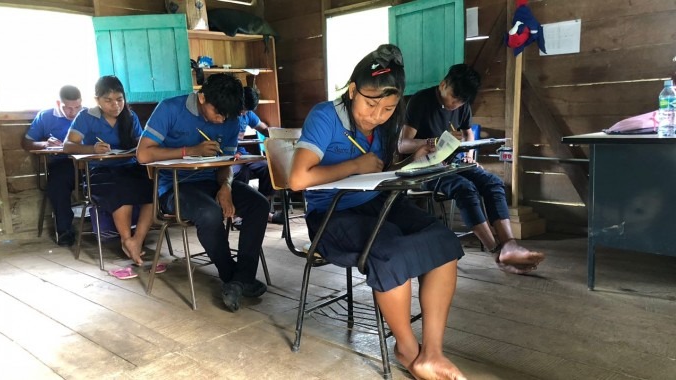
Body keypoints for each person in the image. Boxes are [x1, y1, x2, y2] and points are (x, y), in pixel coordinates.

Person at [289, 45, 466, 380]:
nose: (376, 115)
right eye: (370, 104)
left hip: (377, 200)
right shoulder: (326, 116)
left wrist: (415, 162)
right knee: (390, 249)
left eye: (388, 108)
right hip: (332, 213)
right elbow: (298, 179)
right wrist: (354, 164)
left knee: (443, 241)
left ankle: (433, 353)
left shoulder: (386, 124)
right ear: (353, 90)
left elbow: (382, 169)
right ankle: (408, 350)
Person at [136, 73, 269, 312]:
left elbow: (225, 162)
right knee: (209, 212)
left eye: (227, 116)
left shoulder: (227, 117)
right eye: (217, 112)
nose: (221, 120)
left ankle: (242, 277)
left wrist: (226, 186)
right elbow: (143, 154)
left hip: (212, 182)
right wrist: (189, 150)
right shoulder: (170, 109)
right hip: (174, 187)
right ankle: (233, 277)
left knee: (259, 205)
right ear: (202, 97)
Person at [398, 63, 545, 275]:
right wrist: (432, 142)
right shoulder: (421, 101)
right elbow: (402, 144)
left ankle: (510, 245)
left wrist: (469, 155)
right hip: (424, 166)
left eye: (461, 101)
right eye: (453, 98)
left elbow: (468, 135)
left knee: (492, 182)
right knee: (464, 187)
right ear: (443, 84)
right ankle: (497, 252)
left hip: (451, 163)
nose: (456, 104)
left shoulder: (462, 105)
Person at [63, 76, 154, 266]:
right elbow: (68, 146)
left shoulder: (130, 116)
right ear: (97, 100)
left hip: (129, 168)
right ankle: (126, 239)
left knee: (154, 189)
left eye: (120, 99)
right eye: (108, 100)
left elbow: (141, 143)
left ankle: (135, 239)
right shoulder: (86, 117)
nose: (116, 105)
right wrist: (91, 149)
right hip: (99, 172)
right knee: (120, 189)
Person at [22, 85, 84, 246]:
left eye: (77, 107)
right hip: (63, 163)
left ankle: (110, 229)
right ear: (58, 103)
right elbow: (27, 142)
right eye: (68, 108)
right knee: (58, 185)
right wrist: (45, 144)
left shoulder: (87, 114)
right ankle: (64, 231)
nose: (73, 112)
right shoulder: (46, 116)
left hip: (89, 162)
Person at [231, 86, 282, 224]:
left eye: (247, 110)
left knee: (268, 168)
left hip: (241, 154)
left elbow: (263, 128)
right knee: (242, 172)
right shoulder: (225, 112)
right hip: (226, 155)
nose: (243, 112)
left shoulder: (248, 115)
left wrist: (278, 134)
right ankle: (238, 214)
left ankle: (263, 210)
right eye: (242, 108)